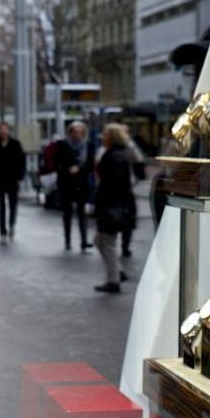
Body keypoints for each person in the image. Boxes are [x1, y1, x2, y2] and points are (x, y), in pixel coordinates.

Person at [92, 124, 142, 293]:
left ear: (111, 137)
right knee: (101, 240)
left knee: (107, 241)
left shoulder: (115, 156)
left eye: (105, 134)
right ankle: (117, 272)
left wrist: (104, 205)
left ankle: (114, 279)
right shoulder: (119, 153)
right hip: (117, 203)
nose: (102, 137)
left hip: (113, 205)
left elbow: (113, 184)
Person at [53, 120, 95, 252]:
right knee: (67, 212)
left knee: (82, 213)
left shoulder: (89, 145)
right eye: (75, 132)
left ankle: (83, 241)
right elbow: (57, 162)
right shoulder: (62, 145)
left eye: (80, 132)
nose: (77, 135)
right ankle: (68, 240)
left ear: (83, 133)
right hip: (66, 183)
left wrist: (80, 170)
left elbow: (90, 165)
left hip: (82, 183)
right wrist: (67, 169)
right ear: (70, 133)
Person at [0, 121, 27, 245]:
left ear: (8, 130)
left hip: (13, 179)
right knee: (1, 206)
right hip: (0, 178)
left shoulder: (15, 144)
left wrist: (20, 175)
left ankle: (11, 227)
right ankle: (3, 232)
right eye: (1, 129)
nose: (3, 132)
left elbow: (21, 160)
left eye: (5, 129)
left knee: (13, 205)